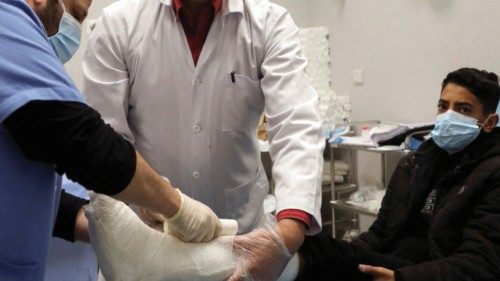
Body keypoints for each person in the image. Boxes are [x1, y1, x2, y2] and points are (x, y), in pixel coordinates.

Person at [82, 0, 325, 279]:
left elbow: (295, 124)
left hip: (243, 240)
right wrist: (147, 196)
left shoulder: (269, 23)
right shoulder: (118, 24)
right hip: (148, 245)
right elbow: (105, 139)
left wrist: (287, 235)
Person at [0, 0, 223, 279]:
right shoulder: (6, 18)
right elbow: (82, 139)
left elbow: (25, 191)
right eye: (73, 14)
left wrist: (112, 226)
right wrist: (176, 206)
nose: (73, 28)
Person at [295, 68, 500, 281]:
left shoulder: (492, 174)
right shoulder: (414, 163)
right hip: (391, 262)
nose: (449, 116)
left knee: (315, 251)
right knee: (314, 251)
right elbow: (380, 232)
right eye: (443, 106)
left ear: (490, 123)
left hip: (428, 271)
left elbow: (480, 263)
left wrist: (401, 277)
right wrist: (345, 260)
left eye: (464, 110)